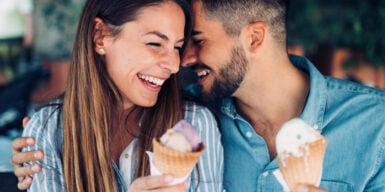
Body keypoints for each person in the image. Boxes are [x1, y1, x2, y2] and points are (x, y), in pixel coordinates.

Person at [13, 0, 385, 191]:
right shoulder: (194, 119)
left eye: (195, 42)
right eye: (163, 44)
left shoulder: (376, 126)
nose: (180, 63)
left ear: (254, 37)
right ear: (99, 37)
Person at [11, 0, 224, 191]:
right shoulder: (47, 130)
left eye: (177, 47)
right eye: (155, 43)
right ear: (100, 36)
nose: (174, 65)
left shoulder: (193, 125)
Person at [0, 0, 33, 83]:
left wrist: (29, 34)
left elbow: (28, 15)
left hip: (14, 40)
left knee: (12, 71)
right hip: (2, 39)